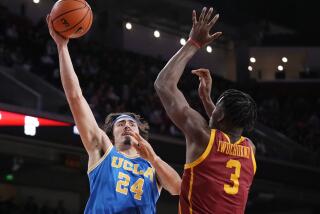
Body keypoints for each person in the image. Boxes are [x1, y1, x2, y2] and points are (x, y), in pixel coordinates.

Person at [46, 15, 181, 214]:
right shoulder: (103, 150)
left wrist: (154, 159)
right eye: (120, 124)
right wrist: (62, 47)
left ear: (140, 133)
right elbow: (75, 97)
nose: (126, 125)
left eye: (131, 123)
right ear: (112, 135)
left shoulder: (152, 165)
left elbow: (178, 188)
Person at [154, 7, 257, 214]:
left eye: (217, 105)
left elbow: (163, 85)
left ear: (220, 115)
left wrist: (193, 43)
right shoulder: (250, 150)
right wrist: (207, 99)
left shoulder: (201, 136)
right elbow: (226, 133)